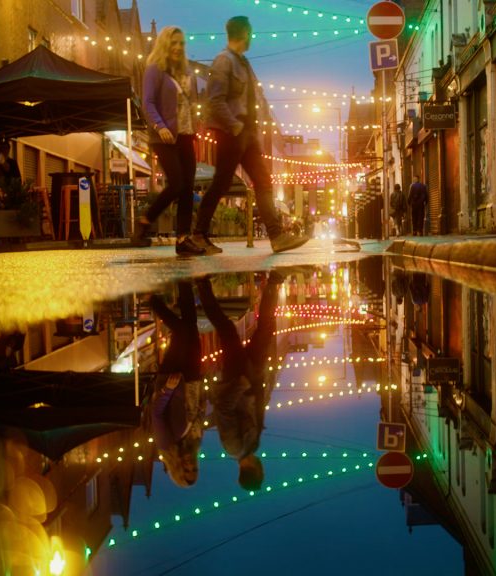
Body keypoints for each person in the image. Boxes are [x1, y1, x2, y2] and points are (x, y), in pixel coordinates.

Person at [194, 16, 308, 254]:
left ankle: (277, 236)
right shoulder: (223, 61)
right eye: (250, 33)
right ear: (244, 33)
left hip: (247, 133)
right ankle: (198, 235)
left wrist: (253, 129)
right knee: (221, 183)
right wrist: (234, 125)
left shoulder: (243, 63)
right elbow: (214, 100)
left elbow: (252, 98)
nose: (252, 37)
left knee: (263, 181)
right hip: (231, 132)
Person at [199, 271, 282, 491]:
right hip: (254, 377)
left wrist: (241, 384)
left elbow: (223, 409)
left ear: (255, 471)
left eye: (261, 471)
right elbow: (255, 410)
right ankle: (274, 282)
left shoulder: (233, 447)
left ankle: (202, 285)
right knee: (265, 329)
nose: (263, 468)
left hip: (238, 378)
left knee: (226, 329)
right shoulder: (252, 445)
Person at [134, 26, 205, 255]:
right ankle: (146, 220)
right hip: (163, 137)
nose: (177, 47)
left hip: (185, 134)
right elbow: (148, 102)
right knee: (176, 183)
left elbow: (191, 104)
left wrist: (197, 125)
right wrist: (160, 126)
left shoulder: (187, 72)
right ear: (165, 44)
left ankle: (183, 239)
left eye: (181, 43)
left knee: (188, 188)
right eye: (173, 43)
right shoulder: (154, 69)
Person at [149, 281, 207, 487]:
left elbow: (156, 414)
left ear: (177, 469)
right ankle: (184, 281)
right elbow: (198, 413)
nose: (190, 466)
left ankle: (151, 300)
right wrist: (203, 399)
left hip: (171, 379)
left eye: (186, 470)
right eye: (194, 469)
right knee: (191, 326)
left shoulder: (167, 445)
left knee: (182, 332)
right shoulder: (195, 443)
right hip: (192, 380)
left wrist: (168, 390)